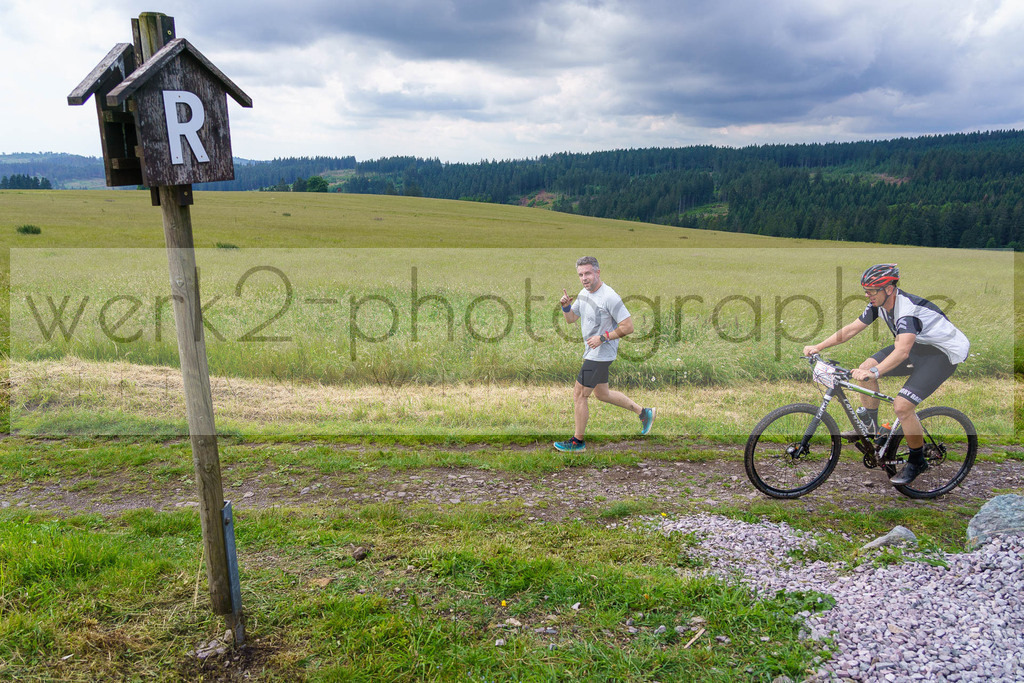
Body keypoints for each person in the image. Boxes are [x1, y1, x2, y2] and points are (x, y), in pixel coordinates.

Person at [803, 263, 970, 485]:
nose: (867, 295)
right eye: (866, 290)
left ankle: (917, 460)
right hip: (917, 346)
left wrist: (874, 373)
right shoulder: (878, 304)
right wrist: (819, 346)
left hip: (941, 355)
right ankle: (871, 427)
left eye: (872, 290)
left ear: (889, 289)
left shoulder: (908, 312)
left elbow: (902, 352)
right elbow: (852, 329)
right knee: (867, 363)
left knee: (902, 406)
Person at [554, 256, 656, 452]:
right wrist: (565, 306)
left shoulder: (609, 296)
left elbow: (628, 326)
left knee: (579, 394)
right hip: (592, 352)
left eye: (588, 273)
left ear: (598, 272)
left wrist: (603, 337)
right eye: (581, 274)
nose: (584, 278)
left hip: (601, 354)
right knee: (602, 394)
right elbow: (571, 319)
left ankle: (577, 442)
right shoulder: (584, 294)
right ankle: (644, 413)